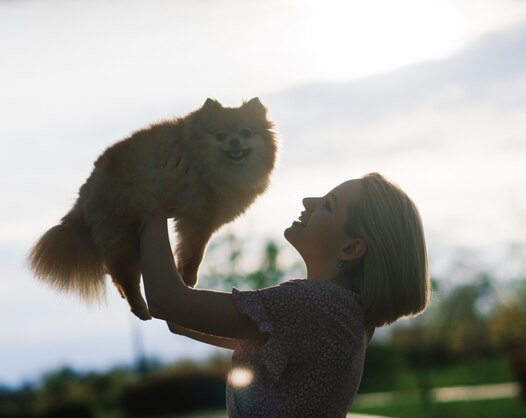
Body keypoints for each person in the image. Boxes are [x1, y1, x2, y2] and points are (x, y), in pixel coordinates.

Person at [139, 158, 430, 417]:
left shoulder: (320, 306)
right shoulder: (338, 315)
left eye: (327, 205)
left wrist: (148, 196)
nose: (308, 201)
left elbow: (168, 302)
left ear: (351, 248)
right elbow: (178, 318)